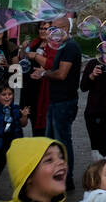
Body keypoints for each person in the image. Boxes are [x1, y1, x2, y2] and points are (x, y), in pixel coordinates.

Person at [32, 16, 82, 191]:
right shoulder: (61, 46)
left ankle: (67, 179)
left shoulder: (70, 47)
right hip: (56, 101)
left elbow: (61, 74)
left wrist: (44, 74)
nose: (50, 32)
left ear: (64, 29)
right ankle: (55, 176)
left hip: (64, 102)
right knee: (52, 141)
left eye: (53, 29)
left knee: (63, 140)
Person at [0, 83, 29, 177]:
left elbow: (23, 124)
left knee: (19, 170)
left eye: (10, 94)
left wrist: (24, 116)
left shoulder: (17, 109)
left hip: (14, 142)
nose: (7, 97)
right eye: (4, 95)